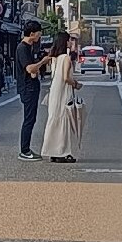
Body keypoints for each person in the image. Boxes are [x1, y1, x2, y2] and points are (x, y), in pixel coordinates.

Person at [41, 31, 85, 163]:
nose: (71, 42)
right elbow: (66, 78)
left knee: (54, 119)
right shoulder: (65, 58)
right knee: (64, 120)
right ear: (65, 42)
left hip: (55, 91)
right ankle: (63, 151)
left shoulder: (54, 58)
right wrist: (76, 84)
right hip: (63, 92)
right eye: (69, 40)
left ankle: (52, 151)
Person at [15, 20, 51, 160]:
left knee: (31, 118)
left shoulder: (30, 47)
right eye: (38, 33)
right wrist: (43, 61)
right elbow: (29, 68)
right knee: (29, 119)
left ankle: (26, 149)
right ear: (32, 33)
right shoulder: (22, 48)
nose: (39, 36)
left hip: (32, 85)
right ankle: (24, 150)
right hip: (27, 87)